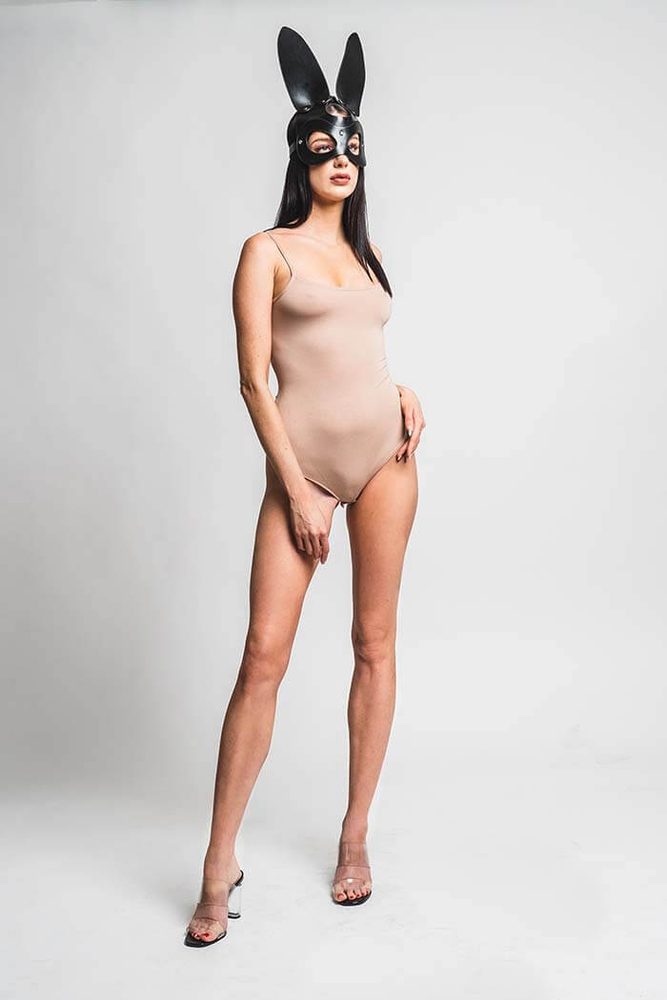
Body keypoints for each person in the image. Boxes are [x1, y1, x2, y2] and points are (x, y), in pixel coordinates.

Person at [184, 26, 426, 947]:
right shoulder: (266, 249)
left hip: (388, 462)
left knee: (374, 643)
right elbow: (255, 382)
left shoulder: (366, 254)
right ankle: (218, 864)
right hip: (306, 472)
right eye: (325, 147)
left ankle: (354, 838)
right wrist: (295, 488)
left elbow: (358, 353)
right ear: (300, 157)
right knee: (263, 657)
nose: (341, 159)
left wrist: (403, 392)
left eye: (352, 146)